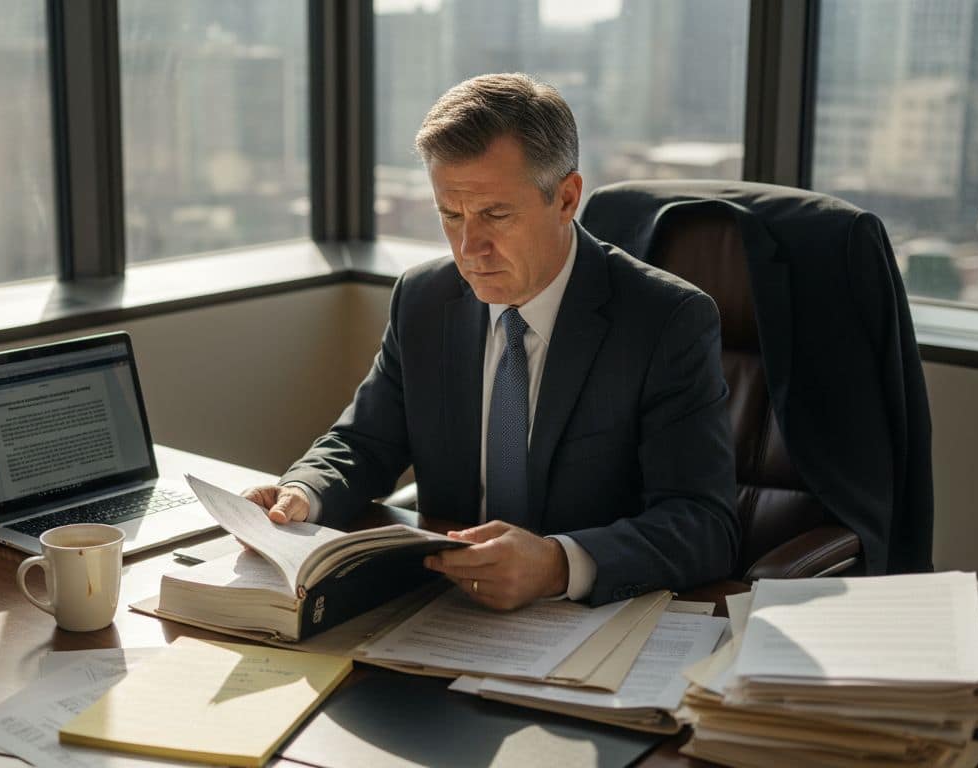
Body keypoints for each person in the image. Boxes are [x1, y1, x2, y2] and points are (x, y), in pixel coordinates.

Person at [244, 73, 737, 610]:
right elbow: (364, 442)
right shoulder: (424, 299)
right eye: (450, 215)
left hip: (589, 618)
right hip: (446, 609)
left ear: (567, 197)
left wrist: (557, 564)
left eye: (495, 215)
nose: (468, 248)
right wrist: (302, 492)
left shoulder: (665, 320)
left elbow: (704, 524)